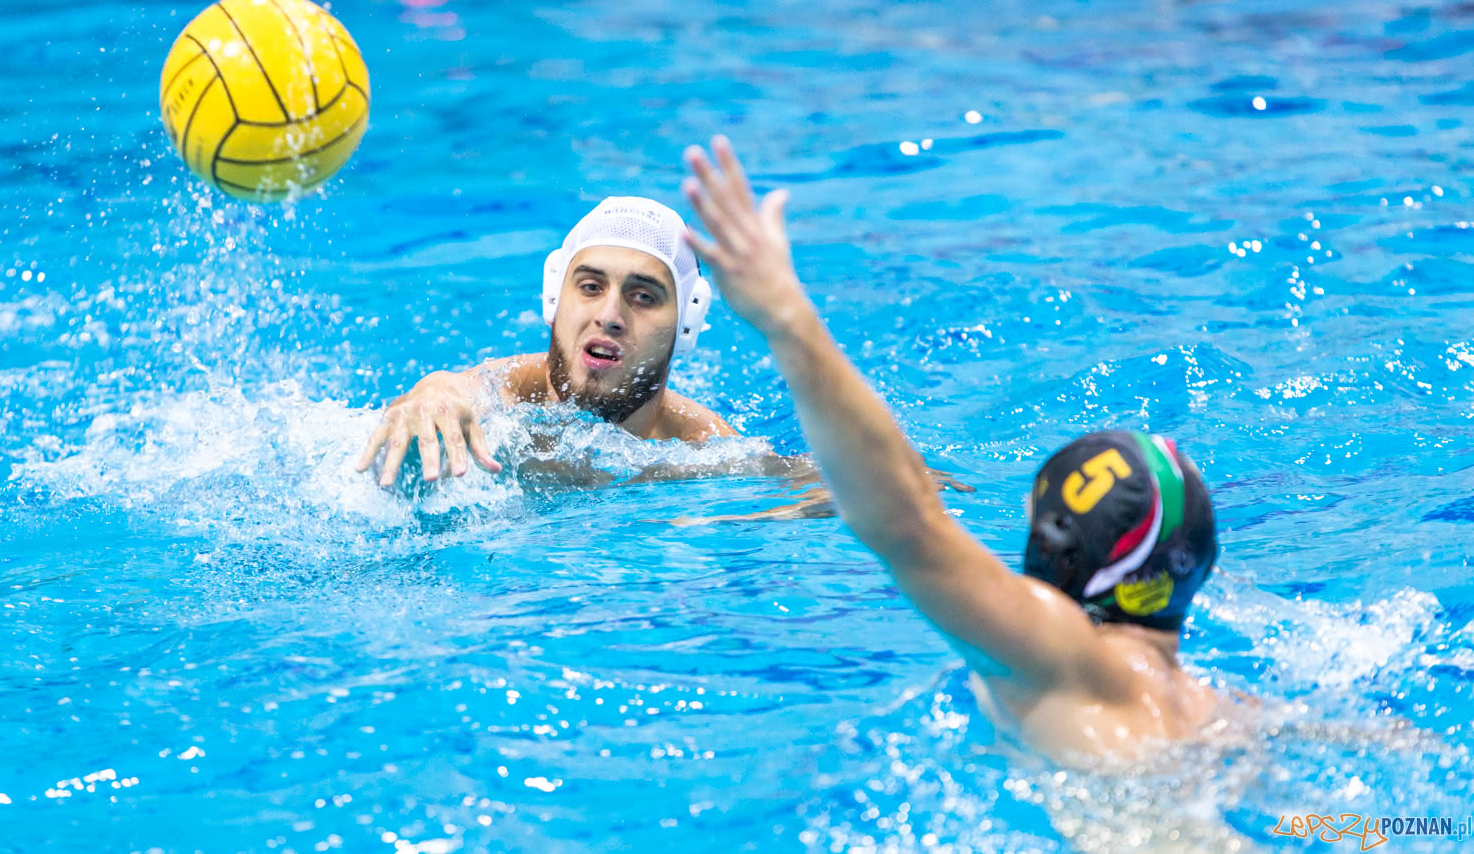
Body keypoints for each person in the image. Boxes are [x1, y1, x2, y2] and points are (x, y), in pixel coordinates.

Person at [679, 136, 1224, 758]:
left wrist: (787, 317)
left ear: (1061, 551)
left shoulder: (1056, 655)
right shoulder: (1218, 709)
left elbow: (906, 524)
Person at [354, 196, 738, 488]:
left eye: (643, 297)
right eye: (590, 286)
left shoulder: (711, 457)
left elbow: (797, 499)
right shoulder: (505, 405)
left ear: (686, 324)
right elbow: (455, 389)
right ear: (554, 297)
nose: (608, 315)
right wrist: (431, 394)